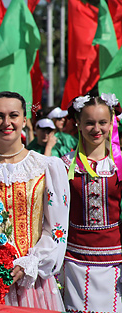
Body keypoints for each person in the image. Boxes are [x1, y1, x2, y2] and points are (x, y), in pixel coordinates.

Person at [0, 91, 70, 310]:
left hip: (34, 279)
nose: (6, 122)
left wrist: (32, 262)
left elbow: (57, 228)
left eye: (13, 115)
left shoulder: (47, 166)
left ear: (24, 120)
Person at [61, 94, 122, 311]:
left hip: (115, 260)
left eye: (102, 122)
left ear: (111, 123)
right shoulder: (64, 165)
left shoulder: (119, 163)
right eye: (89, 122)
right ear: (78, 123)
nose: (96, 129)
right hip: (74, 260)